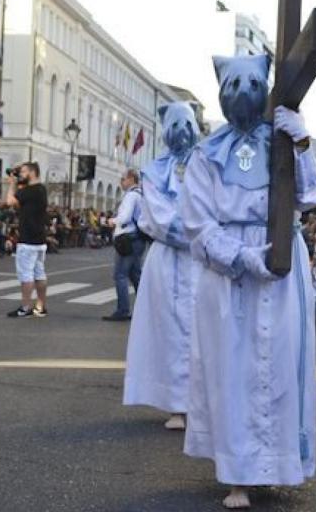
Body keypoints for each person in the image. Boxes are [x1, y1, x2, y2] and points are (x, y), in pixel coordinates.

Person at [179, 55, 316, 509]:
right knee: (233, 370)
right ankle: (238, 473)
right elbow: (197, 225)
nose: (244, 92)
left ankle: (277, 464)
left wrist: (302, 144)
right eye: (234, 84)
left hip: (281, 267)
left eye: (253, 83)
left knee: (280, 365)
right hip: (230, 276)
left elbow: (308, 195)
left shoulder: (279, 144)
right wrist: (241, 258)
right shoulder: (205, 154)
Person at [123, 101, 200, 431]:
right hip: (169, 259)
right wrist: (199, 232)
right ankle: (175, 404)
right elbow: (156, 217)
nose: (182, 131)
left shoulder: (208, 165)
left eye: (188, 124)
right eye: (176, 124)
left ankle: (202, 402)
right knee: (169, 330)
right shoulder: (154, 172)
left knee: (203, 329)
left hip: (202, 260)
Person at [4, 162, 49, 318]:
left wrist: (11, 185)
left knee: (26, 275)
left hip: (28, 239)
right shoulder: (41, 189)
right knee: (39, 274)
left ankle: (25, 307)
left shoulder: (29, 190)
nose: (20, 174)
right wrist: (18, 176)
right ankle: (41, 306)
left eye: (23, 171)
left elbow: (10, 201)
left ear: (32, 172)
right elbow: (19, 204)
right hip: (39, 239)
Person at [103, 169, 145, 322]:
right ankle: (146, 309)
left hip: (129, 237)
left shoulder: (131, 196)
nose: (121, 183)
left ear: (130, 179)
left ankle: (123, 310)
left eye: (122, 179)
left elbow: (125, 217)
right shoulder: (141, 195)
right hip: (138, 238)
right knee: (135, 275)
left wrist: (112, 221)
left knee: (120, 274)